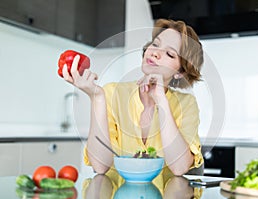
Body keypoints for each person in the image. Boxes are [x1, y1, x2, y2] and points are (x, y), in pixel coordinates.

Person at [62, 19, 204, 177]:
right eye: (155, 44)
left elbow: (179, 168)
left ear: (181, 72)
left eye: (170, 54)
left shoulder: (186, 104)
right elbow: (100, 166)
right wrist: (97, 98)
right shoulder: (112, 93)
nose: (155, 52)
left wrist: (161, 100)